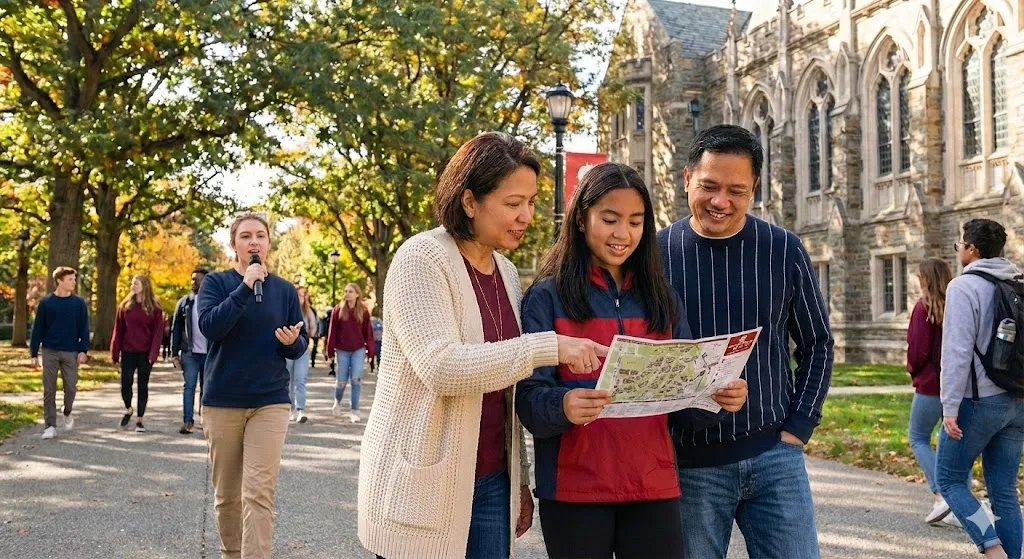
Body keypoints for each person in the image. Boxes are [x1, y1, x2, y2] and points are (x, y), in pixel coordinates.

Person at [357, 132, 607, 559]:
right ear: (470, 201)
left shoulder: (507, 273)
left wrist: (520, 480)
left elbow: (506, 389)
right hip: (425, 484)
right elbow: (441, 367)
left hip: (493, 481)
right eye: (513, 204)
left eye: (530, 202)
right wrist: (545, 347)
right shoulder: (421, 258)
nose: (526, 215)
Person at [517, 162, 748, 558]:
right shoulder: (547, 297)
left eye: (636, 222)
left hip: (652, 485)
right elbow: (528, 400)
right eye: (609, 219)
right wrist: (564, 405)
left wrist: (717, 397)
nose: (623, 234)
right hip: (575, 489)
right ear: (580, 220)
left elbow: (685, 406)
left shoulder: (662, 299)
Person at [657, 124, 834, 558]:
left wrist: (798, 428)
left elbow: (818, 344)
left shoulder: (784, 249)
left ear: (754, 187)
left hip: (775, 454)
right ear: (686, 179)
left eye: (736, 189)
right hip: (690, 463)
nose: (721, 201)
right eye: (709, 186)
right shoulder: (654, 256)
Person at [197, 211, 308, 559]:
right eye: (245, 236)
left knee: (259, 492)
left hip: (269, 401)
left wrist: (292, 342)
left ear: (268, 243)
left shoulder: (285, 290)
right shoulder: (216, 284)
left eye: (260, 235)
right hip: (222, 400)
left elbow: (299, 344)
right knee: (228, 495)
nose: (254, 241)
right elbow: (211, 328)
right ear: (234, 245)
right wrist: (245, 287)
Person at [937, 218, 1024, 559]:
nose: (960, 251)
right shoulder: (1018, 282)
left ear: (972, 249)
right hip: (1018, 399)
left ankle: (993, 550)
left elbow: (957, 352)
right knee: (1004, 491)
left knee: (949, 479)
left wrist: (949, 406)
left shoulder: (964, 287)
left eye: (961, 245)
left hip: (979, 401)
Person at [906, 258, 956, 524]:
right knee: (953, 440)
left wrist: (913, 371)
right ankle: (960, 498)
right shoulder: (957, 307)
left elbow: (917, 350)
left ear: (926, 279)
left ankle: (941, 494)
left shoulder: (922, 308)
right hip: (956, 386)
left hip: (929, 385)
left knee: (918, 437)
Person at [29, 267, 90, 440]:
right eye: (70, 279)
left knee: (70, 387)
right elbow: (37, 329)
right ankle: (50, 426)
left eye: (74, 279)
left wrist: (83, 350)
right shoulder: (46, 303)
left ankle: (67, 411)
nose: (73, 282)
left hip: (71, 351)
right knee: (49, 390)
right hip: (50, 350)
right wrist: (34, 353)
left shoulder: (79, 304)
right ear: (59, 281)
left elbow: (84, 329)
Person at [111, 275, 165, 433]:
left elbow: (158, 333)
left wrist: (153, 354)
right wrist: (115, 352)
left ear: (145, 286)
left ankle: (140, 420)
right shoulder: (125, 306)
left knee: (143, 386)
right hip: (128, 351)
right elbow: (118, 331)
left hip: (145, 353)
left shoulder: (155, 308)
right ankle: (128, 408)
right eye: (132, 283)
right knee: (125, 384)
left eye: (136, 283)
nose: (133, 285)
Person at [324, 283, 375, 423]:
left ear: (357, 294)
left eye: (350, 291)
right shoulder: (338, 310)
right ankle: (337, 401)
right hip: (342, 350)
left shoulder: (363, 311)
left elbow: (368, 333)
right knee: (341, 381)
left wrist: (370, 352)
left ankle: (355, 410)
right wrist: (330, 350)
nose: (347, 294)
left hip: (358, 349)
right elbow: (332, 331)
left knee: (356, 380)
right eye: (346, 291)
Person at [172, 267, 210, 435]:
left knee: (207, 387)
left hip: (209, 353)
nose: (193, 282)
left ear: (205, 282)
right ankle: (187, 421)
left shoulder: (212, 302)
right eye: (192, 279)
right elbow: (176, 328)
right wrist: (174, 353)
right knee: (189, 386)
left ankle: (205, 419)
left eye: (197, 279)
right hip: (190, 353)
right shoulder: (184, 302)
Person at [287, 285, 318, 423]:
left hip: (303, 349)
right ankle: (290, 408)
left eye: (304, 295)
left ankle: (300, 410)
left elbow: (313, 328)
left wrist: (307, 336)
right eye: (299, 295)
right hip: (287, 349)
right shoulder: (287, 309)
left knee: (300, 380)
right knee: (288, 380)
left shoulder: (308, 312)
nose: (301, 298)